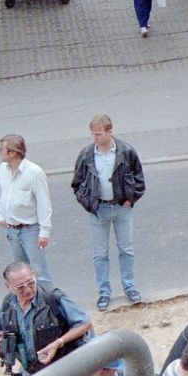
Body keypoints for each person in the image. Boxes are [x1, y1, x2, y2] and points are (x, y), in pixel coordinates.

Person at [71, 113, 145, 310]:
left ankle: (130, 288)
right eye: (93, 134)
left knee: (126, 249)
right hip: (99, 209)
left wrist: (131, 198)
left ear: (109, 132)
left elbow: (139, 178)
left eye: (98, 134)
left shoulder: (126, 151)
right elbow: (77, 183)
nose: (95, 138)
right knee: (100, 253)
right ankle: (104, 293)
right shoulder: (87, 154)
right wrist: (88, 202)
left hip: (121, 207)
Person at [0, 134, 54, 289]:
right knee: (21, 274)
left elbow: (44, 204)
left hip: (30, 230)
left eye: (2, 149)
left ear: (12, 153)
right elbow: (0, 194)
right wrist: (0, 215)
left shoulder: (34, 172)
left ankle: (49, 307)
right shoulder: (3, 169)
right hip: (12, 230)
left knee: (40, 273)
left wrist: (44, 232)